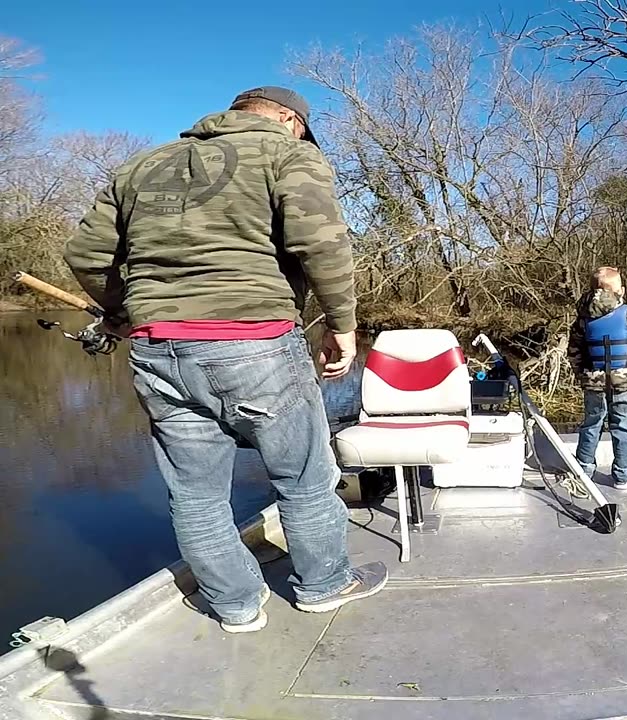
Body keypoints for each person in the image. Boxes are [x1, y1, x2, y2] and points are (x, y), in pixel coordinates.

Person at [63, 86, 387, 634]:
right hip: (255, 341)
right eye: (302, 129)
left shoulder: (142, 165)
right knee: (305, 478)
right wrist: (343, 326)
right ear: (290, 120)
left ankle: (235, 606)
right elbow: (323, 244)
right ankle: (324, 586)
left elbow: (85, 256)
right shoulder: (290, 154)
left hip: (158, 350)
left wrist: (125, 310)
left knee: (195, 495)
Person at [567, 267, 627, 490]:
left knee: (591, 424)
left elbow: (574, 352)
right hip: (624, 381)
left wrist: (581, 374)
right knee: (623, 426)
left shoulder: (582, 319)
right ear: (621, 291)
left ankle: (584, 469)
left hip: (592, 380)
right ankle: (622, 475)